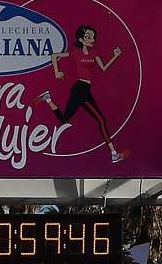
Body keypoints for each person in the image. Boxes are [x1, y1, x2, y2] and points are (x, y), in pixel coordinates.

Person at [38, 24, 127, 163]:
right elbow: (54, 55)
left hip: (85, 89)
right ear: (81, 39)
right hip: (80, 89)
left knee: (64, 120)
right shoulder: (75, 52)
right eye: (88, 37)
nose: (91, 39)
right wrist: (57, 72)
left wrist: (115, 56)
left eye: (93, 37)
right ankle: (113, 154)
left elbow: (103, 68)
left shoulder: (94, 52)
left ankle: (48, 99)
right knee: (101, 120)